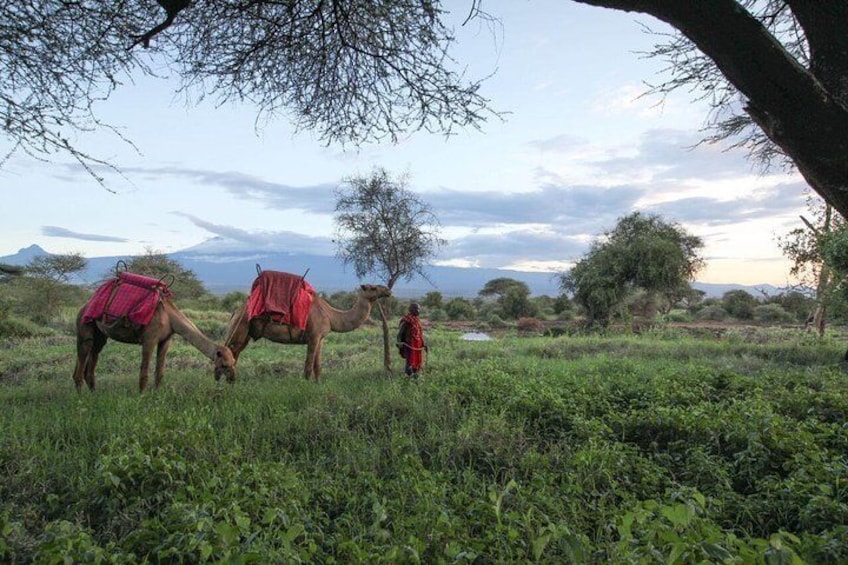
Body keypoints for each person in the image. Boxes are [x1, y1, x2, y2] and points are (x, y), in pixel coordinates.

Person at [397, 303, 428, 378]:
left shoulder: (417, 320)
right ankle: (409, 375)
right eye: (417, 309)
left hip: (418, 344)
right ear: (412, 310)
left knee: (418, 361)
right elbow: (400, 333)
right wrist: (399, 342)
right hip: (410, 344)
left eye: (419, 309)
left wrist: (424, 344)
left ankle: (415, 375)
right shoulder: (406, 320)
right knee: (410, 361)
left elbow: (420, 333)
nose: (418, 311)